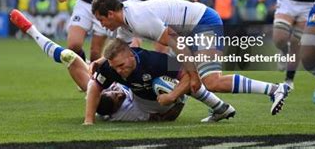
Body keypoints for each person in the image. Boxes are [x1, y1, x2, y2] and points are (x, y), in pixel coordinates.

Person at [91, 0, 291, 115]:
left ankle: (274, 89)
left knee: (210, 81)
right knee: (189, 78)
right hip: (192, 28)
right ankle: (219, 110)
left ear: (110, 14)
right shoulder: (126, 22)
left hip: (202, 23)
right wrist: (99, 62)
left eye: (101, 20)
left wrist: (194, 75)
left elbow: (177, 42)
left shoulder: (139, 19)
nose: (101, 25)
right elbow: (119, 45)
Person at [9, 9, 184, 122]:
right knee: (131, 50)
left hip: (105, 90)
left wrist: (88, 120)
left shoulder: (99, 93)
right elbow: (166, 116)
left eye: (112, 91)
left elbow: (97, 88)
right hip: (142, 96)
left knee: (71, 58)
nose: (117, 92)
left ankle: (31, 31)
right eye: (118, 95)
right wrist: (177, 99)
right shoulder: (131, 112)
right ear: (117, 106)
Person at [84, 39, 236, 125]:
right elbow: (94, 86)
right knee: (97, 89)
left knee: (165, 81)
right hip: (138, 100)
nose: (117, 70)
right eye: (114, 67)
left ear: (131, 55)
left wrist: (172, 96)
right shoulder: (109, 68)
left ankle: (219, 107)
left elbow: (190, 75)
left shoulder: (154, 60)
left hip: (161, 99)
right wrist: (88, 120)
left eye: (121, 66)